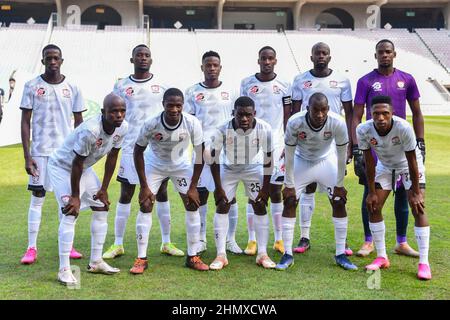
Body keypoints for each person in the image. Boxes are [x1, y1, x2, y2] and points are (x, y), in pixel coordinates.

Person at [103, 44, 183, 259]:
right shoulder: (121, 86)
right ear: (132, 59)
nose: (143, 58)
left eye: (147, 55)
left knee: (161, 193)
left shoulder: (161, 85)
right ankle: (117, 243)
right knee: (126, 193)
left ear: (151, 59)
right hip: (130, 147)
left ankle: (166, 242)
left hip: (155, 149)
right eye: (139, 55)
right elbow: (114, 114)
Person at [352, 39, 424, 257]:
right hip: (374, 147)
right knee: (371, 194)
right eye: (380, 52)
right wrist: (357, 149)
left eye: (388, 52)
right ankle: (368, 241)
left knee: (403, 194)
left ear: (394, 54)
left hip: (403, 146)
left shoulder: (407, 80)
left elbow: (417, 113)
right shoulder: (365, 81)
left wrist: (421, 141)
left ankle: (401, 242)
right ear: (375, 56)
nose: (384, 55)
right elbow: (356, 116)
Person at [47, 93, 128, 285]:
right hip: (62, 166)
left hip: (83, 168)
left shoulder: (123, 128)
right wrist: (75, 196)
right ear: (103, 112)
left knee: (101, 206)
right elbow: (76, 163)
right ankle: (64, 269)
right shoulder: (91, 130)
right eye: (113, 111)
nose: (119, 115)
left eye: (122, 111)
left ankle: (96, 261)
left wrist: (104, 188)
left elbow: (112, 157)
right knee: (70, 211)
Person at [131, 88, 209, 274]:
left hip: (180, 165)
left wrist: (193, 186)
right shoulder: (151, 123)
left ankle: (192, 256)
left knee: (192, 204)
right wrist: (143, 186)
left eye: (178, 105)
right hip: (155, 164)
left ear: (183, 106)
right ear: (163, 105)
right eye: (170, 105)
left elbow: (200, 153)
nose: (174, 109)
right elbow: (137, 151)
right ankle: (141, 258)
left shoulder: (191, 122)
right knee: (146, 204)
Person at [277, 93, 357, 271]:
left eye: (323, 110)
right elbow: (289, 155)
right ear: (308, 109)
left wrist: (339, 184)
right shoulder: (295, 122)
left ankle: (340, 253)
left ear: (328, 109)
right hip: (301, 160)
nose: (320, 115)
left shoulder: (337, 122)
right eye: (315, 110)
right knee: (289, 201)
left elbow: (342, 154)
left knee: (338, 201)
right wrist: (289, 185)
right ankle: (287, 254)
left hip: (325, 160)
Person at [19, 44, 84, 265]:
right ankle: (31, 247)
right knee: (37, 198)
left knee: (64, 200)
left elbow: (79, 124)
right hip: (39, 152)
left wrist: (80, 153)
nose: (53, 62)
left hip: (64, 154)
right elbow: (25, 121)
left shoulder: (73, 87)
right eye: (49, 58)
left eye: (56, 58)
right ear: (43, 61)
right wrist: (27, 156)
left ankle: (68, 245)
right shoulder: (31, 86)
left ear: (62, 60)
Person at [356, 95, 431, 280]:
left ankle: (424, 262)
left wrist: (414, 191)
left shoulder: (403, 127)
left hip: (408, 166)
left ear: (392, 113)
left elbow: (413, 161)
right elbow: (369, 161)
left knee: (418, 207)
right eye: (376, 114)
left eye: (385, 113)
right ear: (370, 114)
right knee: (373, 206)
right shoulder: (363, 129)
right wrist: (371, 191)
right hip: (384, 166)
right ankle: (382, 257)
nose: (380, 118)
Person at [291, 42, 353, 255]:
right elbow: (292, 111)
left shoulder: (343, 81)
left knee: (336, 191)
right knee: (307, 188)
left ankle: (342, 242)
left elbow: (349, 112)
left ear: (329, 56)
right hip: (306, 141)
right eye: (317, 53)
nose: (321, 56)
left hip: (333, 142)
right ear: (311, 57)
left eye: (324, 53)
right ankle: (304, 236)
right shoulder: (300, 80)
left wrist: (350, 144)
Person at [209, 96, 276, 270]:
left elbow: (269, 159)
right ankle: (221, 254)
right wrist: (217, 188)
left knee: (260, 205)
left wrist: (265, 189)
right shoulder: (222, 129)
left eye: (248, 115)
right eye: (240, 115)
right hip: (228, 168)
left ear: (254, 113)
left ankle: (262, 253)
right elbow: (213, 158)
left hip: (253, 167)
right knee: (222, 204)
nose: (244, 119)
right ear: (234, 113)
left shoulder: (264, 129)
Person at [184, 51, 240, 254]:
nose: (212, 68)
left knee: (229, 195)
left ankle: (230, 240)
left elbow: (237, 121)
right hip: (201, 149)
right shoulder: (191, 92)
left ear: (220, 67)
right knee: (201, 195)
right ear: (202, 67)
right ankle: (201, 239)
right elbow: (188, 124)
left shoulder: (232, 92)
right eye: (208, 65)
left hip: (226, 151)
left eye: (215, 65)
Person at [240, 46, 292, 255]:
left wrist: (288, 144)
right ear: (258, 60)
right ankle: (252, 240)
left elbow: (288, 116)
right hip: (252, 143)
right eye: (264, 58)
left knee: (275, 190)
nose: (267, 62)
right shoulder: (247, 83)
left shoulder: (284, 85)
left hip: (277, 143)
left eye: (271, 58)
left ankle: (279, 239)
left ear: (275, 61)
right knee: (252, 191)